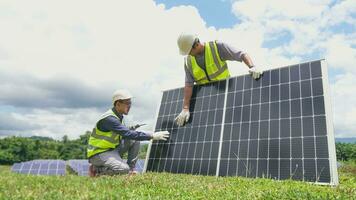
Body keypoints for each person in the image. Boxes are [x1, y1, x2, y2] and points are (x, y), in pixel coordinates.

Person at [175, 33, 263, 126]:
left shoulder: (216, 47)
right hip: (207, 103)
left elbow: (241, 54)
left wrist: (252, 66)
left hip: (227, 96)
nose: (188, 54)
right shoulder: (188, 62)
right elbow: (189, 84)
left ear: (196, 45)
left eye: (189, 51)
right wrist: (185, 108)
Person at [87, 89, 169, 176]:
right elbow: (127, 133)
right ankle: (96, 170)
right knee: (123, 169)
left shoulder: (119, 117)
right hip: (99, 153)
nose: (129, 106)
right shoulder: (109, 119)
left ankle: (130, 170)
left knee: (134, 140)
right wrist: (152, 136)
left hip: (112, 149)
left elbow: (123, 132)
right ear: (118, 104)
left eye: (130, 103)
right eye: (127, 103)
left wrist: (131, 128)